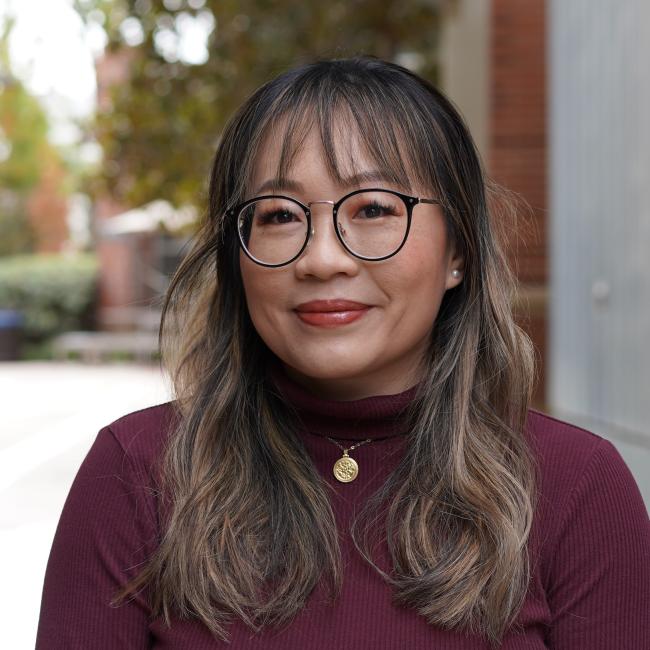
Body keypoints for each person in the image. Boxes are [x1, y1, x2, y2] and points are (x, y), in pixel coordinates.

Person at [36, 56, 650, 649]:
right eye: (278, 214)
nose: (322, 258)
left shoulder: (578, 489)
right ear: (237, 254)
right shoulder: (135, 476)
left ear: (458, 252)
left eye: (375, 209)